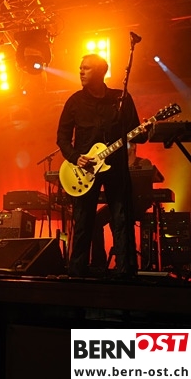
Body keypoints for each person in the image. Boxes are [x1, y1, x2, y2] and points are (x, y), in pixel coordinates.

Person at [57, 53, 148, 278]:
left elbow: (137, 134)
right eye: (80, 67)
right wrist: (75, 157)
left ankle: (126, 273)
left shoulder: (120, 99)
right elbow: (62, 138)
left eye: (86, 68)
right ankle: (77, 274)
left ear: (101, 72)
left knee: (122, 219)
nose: (81, 71)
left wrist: (146, 130)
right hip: (84, 170)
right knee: (83, 222)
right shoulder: (74, 102)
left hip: (116, 168)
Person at [90, 142, 153, 270]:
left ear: (134, 146)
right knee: (95, 220)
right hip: (118, 203)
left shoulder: (143, 162)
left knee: (117, 220)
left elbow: (145, 188)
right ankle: (98, 262)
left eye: (127, 144)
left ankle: (122, 260)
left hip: (136, 204)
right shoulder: (117, 166)